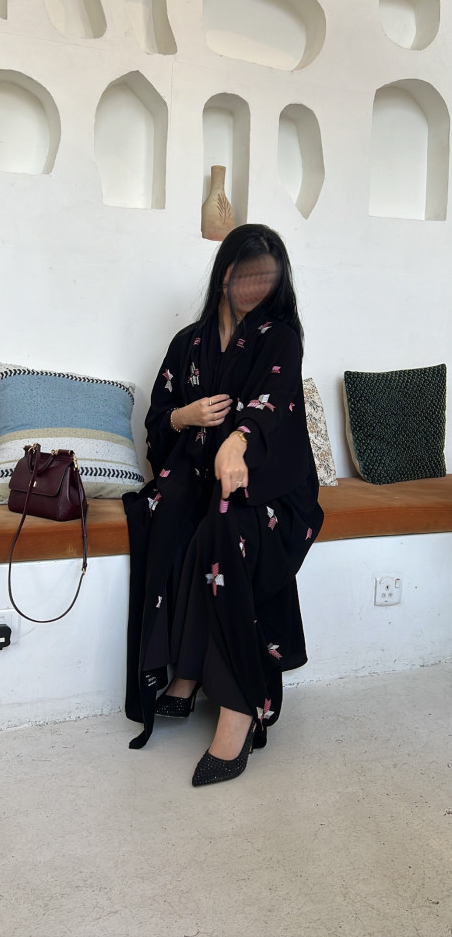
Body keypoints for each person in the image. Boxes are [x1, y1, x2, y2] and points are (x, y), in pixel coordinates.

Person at [123, 224, 324, 787]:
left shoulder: (280, 337)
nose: (257, 287)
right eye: (247, 274)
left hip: (268, 482)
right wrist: (184, 417)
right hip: (195, 470)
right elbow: (158, 420)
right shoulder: (187, 342)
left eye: (268, 278)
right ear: (226, 272)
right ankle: (184, 673)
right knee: (165, 511)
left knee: (227, 530)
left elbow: (272, 407)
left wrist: (236, 443)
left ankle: (238, 706)